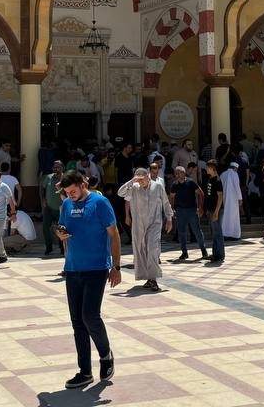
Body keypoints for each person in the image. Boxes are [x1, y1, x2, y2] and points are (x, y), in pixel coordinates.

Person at [55, 171, 121, 390]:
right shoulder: (66, 205)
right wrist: (61, 234)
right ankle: (84, 372)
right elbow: (62, 228)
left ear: (83, 185)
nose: (70, 195)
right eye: (67, 193)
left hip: (97, 268)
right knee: (77, 321)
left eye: (73, 191)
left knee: (89, 315)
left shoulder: (100, 203)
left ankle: (105, 355)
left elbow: (114, 234)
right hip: (73, 268)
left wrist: (116, 266)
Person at [117, 167, 173, 291]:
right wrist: (132, 181)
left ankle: (153, 279)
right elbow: (120, 193)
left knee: (152, 248)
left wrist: (169, 218)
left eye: (142, 179)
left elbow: (165, 202)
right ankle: (148, 278)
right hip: (139, 224)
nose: (140, 182)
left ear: (148, 176)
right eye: (138, 179)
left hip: (155, 223)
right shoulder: (134, 188)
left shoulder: (158, 186)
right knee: (141, 251)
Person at [170, 165, 207, 261]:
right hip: (180, 211)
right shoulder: (174, 185)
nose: (177, 175)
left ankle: (203, 250)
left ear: (183, 173)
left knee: (197, 231)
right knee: (181, 232)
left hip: (191, 210)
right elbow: (172, 197)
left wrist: (200, 207)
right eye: (176, 173)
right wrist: (172, 209)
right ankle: (184, 252)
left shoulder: (190, 182)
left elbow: (201, 193)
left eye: (179, 173)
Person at [201, 161, 226, 262]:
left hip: (216, 210)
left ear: (212, 168)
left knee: (218, 232)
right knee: (214, 233)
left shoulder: (218, 180)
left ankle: (220, 255)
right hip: (210, 209)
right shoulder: (210, 179)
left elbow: (220, 197)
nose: (206, 169)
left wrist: (216, 212)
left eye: (207, 167)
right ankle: (215, 253)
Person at [41, 161, 67, 256]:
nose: (56, 169)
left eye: (58, 167)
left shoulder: (65, 178)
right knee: (45, 227)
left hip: (61, 208)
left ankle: (62, 248)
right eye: (54, 167)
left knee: (62, 228)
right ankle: (49, 247)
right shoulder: (48, 177)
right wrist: (43, 199)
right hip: (48, 207)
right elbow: (42, 189)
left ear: (62, 168)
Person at [219, 161, 243, 240]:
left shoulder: (223, 174)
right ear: (235, 168)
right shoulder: (235, 174)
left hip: (224, 199)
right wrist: (240, 198)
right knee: (234, 217)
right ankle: (234, 235)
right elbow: (237, 187)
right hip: (233, 199)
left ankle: (225, 234)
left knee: (225, 216)